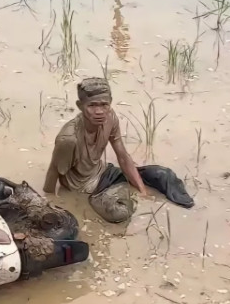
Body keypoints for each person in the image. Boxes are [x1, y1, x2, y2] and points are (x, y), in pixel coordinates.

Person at [43, 77, 194, 223]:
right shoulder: (69, 139)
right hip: (87, 190)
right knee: (118, 212)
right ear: (80, 106)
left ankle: (191, 209)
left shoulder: (110, 118)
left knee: (163, 174)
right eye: (92, 105)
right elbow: (52, 175)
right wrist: (50, 205)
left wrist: (142, 191)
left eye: (104, 105)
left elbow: (122, 155)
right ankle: (122, 193)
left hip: (105, 173)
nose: (99, 111)